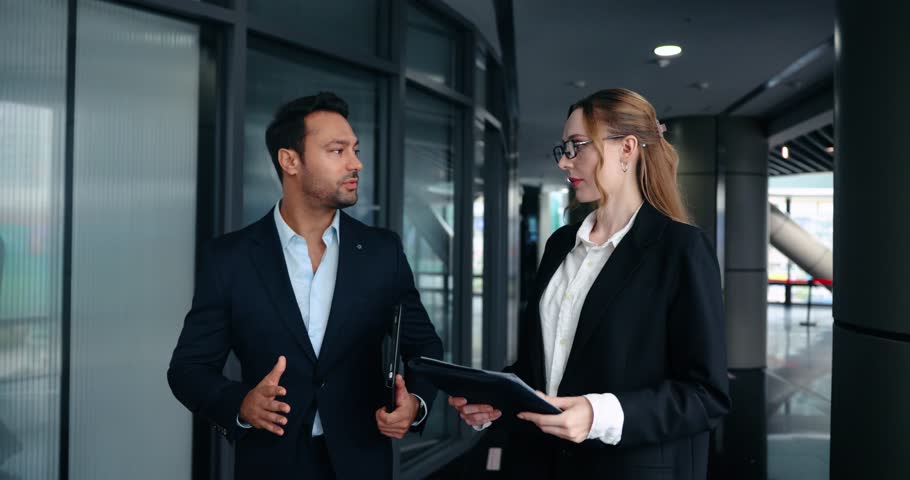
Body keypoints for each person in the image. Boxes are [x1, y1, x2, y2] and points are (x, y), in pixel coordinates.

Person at [449, 88, 730, 479]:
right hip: (541, 464)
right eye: (563, 148)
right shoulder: (561, 244)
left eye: (577, 146)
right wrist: (496, 399)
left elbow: (706, 396)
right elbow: (546, 371)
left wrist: (599, 415)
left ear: (627, 149)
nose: (565, 161)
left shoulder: (680, 249)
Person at [168, 92, 443, 479]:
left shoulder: (382, 252)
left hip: (362, 463)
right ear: (290, 161)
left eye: (355, 149)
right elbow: (188, 369)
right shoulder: (230, 258)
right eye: (337, 150)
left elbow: (425, 347)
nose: (356, 163)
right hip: (270, 463)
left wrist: (415, 402)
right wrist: (241, 404)